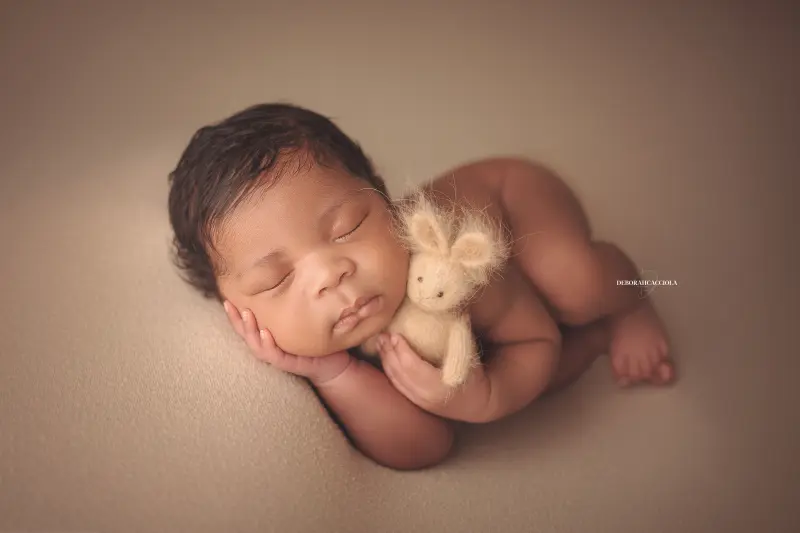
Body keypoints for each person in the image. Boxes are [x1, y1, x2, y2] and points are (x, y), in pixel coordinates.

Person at [167, 103, 674, 471]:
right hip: (488, 334)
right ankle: (597, 339)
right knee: (531, 381)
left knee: (574, 287)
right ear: (235, 310)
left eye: (347, 227)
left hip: (516, 204)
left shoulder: (444, 269)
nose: (329, 274)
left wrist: (485, 398)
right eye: (275, 280)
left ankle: (633, 296)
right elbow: (424, 448)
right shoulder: (315, 346)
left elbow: (536, 338)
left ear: (383, 196)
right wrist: (333, 371)